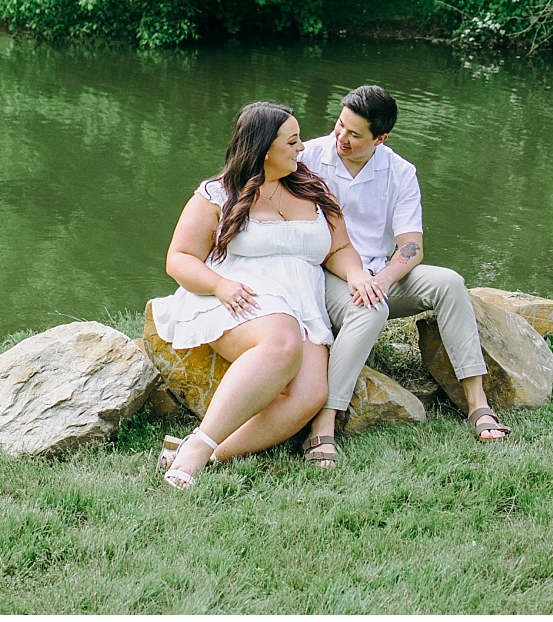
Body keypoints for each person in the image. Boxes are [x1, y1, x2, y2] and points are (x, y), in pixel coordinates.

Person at [149, 100, 368, 488]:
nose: (303, 149)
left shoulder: (314, 189)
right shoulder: (218, 193)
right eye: (293, 141)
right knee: (282, 342)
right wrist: (219, 285)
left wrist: (355, 275)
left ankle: (204, 451)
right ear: (265, 149)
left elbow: (339, 248)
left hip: (303, 305)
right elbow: (179, 258)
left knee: (310, 394)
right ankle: (199, 449)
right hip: (241, 297)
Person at [298, 84, 508, 466]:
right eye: (340, 126)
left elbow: (412, 246)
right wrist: (357, 276)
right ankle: (323, 423)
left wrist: (381, 280)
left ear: (380, 138)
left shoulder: (399, 171)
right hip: (325, 274)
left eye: (354, 134)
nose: (341, 138)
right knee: (370, 311)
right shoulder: (309, 156)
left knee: (449, 283)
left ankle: (477, 403)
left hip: (378, 277)